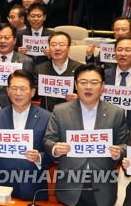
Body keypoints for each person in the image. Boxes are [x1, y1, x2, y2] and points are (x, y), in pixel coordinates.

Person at [44, 63, 128, 206]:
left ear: (102, 87)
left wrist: (119, 151)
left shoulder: (117, 113)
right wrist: (55, 149)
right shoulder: (60, 111)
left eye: (94, 83)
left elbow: (124, 145)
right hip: (69, 182)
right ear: (76, 85)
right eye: (83, 82)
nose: (88, 87)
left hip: (103, 183)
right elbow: (48, 140)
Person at [0, 69, 51, 201]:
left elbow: (52, 152)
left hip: (33, 187)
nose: (18, 93)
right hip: (3, 186)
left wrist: (39, 157)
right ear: (8, 91)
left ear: (32, 92)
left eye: (23, 88)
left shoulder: (47, 117)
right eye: (14, 88)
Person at [35, 32, 81, 112]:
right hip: (47, 115)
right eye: (53, 45)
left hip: (72, 115)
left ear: (69, 48)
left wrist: (78, 98)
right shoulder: (40, 69)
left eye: (62, 45)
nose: (57, 48)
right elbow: (33, 95)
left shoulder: (80, 69)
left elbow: (87, 94)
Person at [104, 35, 131, 129]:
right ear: (114, 53)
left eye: (127, 50)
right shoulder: (103, 76)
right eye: (119, 50)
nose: (123, 54)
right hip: (107, 127)